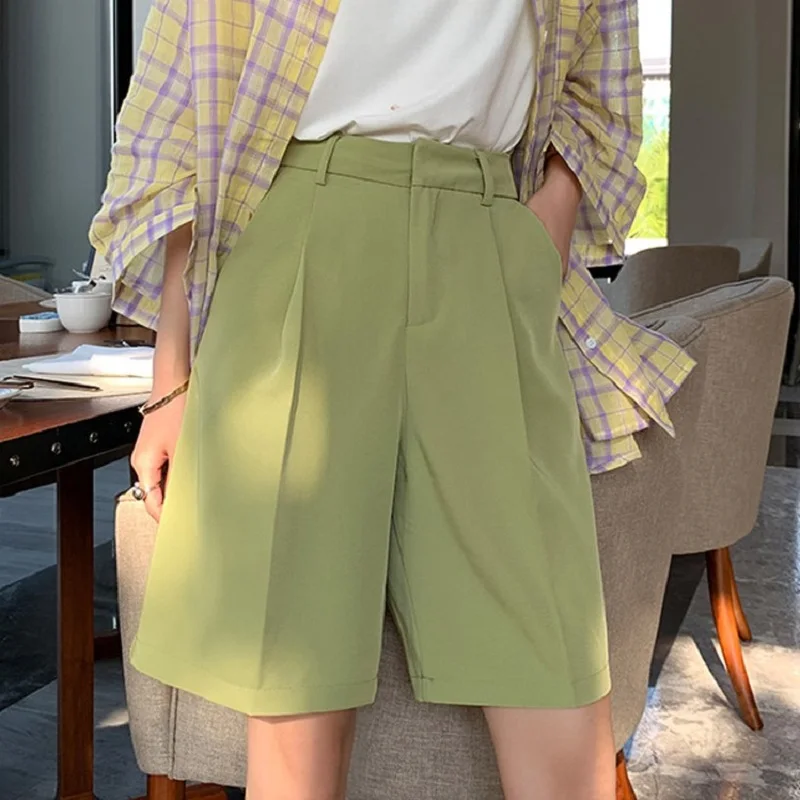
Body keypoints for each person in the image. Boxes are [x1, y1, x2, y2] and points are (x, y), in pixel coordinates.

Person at [91, 1, 695, 797]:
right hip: (298, 236)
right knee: (294, 678)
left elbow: (597, 81)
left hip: (484, 237)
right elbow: (182, 121)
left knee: (550, 650)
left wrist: (542, 229)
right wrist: (171, 379)